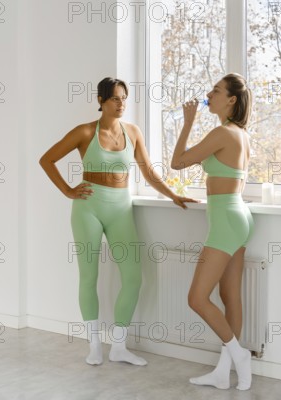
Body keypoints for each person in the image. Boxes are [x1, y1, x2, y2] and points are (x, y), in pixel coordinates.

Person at [40, 77, 196, 367]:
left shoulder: (133, 132)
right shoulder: (85, 132)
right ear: (100, 101)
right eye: (114, 98)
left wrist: (174, 195)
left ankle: (119, 346)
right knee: (89, 276)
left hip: (120, 208)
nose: (121, 103)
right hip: (88, 208)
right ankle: (95, 346)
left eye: (124, 97)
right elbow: (46, 159)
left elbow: (149, 173)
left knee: (134, 277)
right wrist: (68, 190)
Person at [171, 73, 254, 390]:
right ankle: (224, 371)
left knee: (197, 298)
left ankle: (239, 355)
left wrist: (187, 121)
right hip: (238, 216)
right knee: (229, 296)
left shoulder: (222, 132)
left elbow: (178, 162)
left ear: (231, 100)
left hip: (226, 221)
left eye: (216, 90)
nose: (209, 93)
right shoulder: (241, 135)